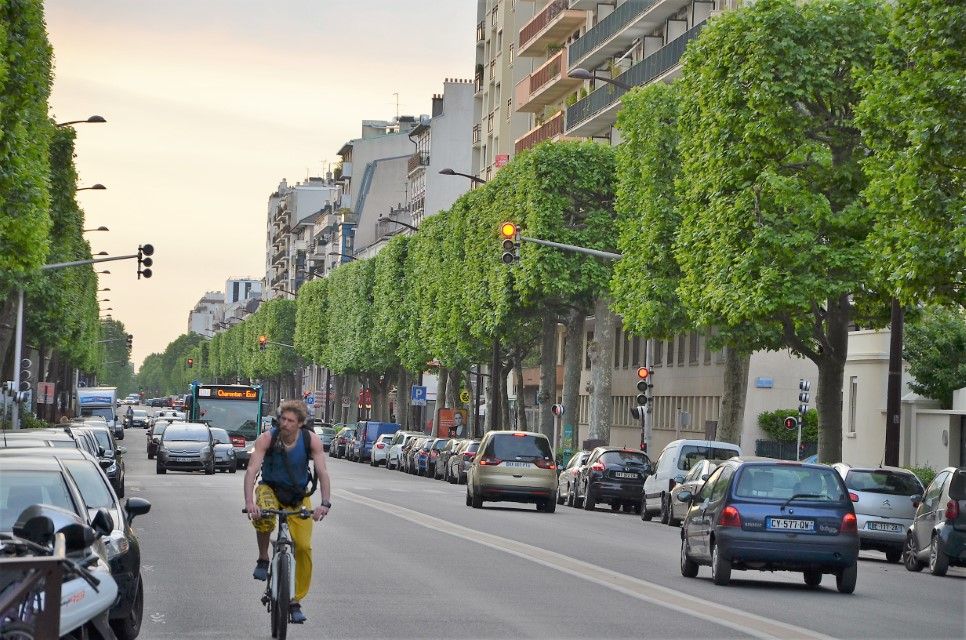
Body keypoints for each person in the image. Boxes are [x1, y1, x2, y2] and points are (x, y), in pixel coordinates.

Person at [244, 400, 331, 624]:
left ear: (301, 424)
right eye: (282, 418)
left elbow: (322, 471)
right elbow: (252, 470)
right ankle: (263, 558)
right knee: (263, 516)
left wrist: (325, 502)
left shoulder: (310, 440)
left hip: (297, 494)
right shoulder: (267, 438)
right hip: (270, 488)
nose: (285, 423)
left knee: (303, 546)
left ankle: (294, 600)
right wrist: (249, 503)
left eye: (291, 421)